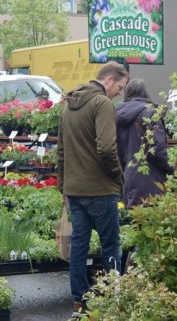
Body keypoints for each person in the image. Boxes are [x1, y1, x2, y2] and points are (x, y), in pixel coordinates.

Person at [57, 61, 128, 312]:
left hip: (75, 190)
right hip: (100, 189)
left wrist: (63, 187)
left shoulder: (68, 107)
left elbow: (62, 151)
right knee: (111, 246)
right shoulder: (102, 104)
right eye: (120, 86)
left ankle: (80, 298)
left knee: (79, 245)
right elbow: (107, 148)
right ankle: (113, 297)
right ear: (109, 80)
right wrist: (118, 177)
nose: (120, 92)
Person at [115, 79, 173, 209]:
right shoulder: (151, 112)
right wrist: (172, 169)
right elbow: (157, 149)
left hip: (128, 176)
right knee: (151, 222)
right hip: (150, 177)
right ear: (145, 93)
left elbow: (116, 150)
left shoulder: (116, 115)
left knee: (133, 222)